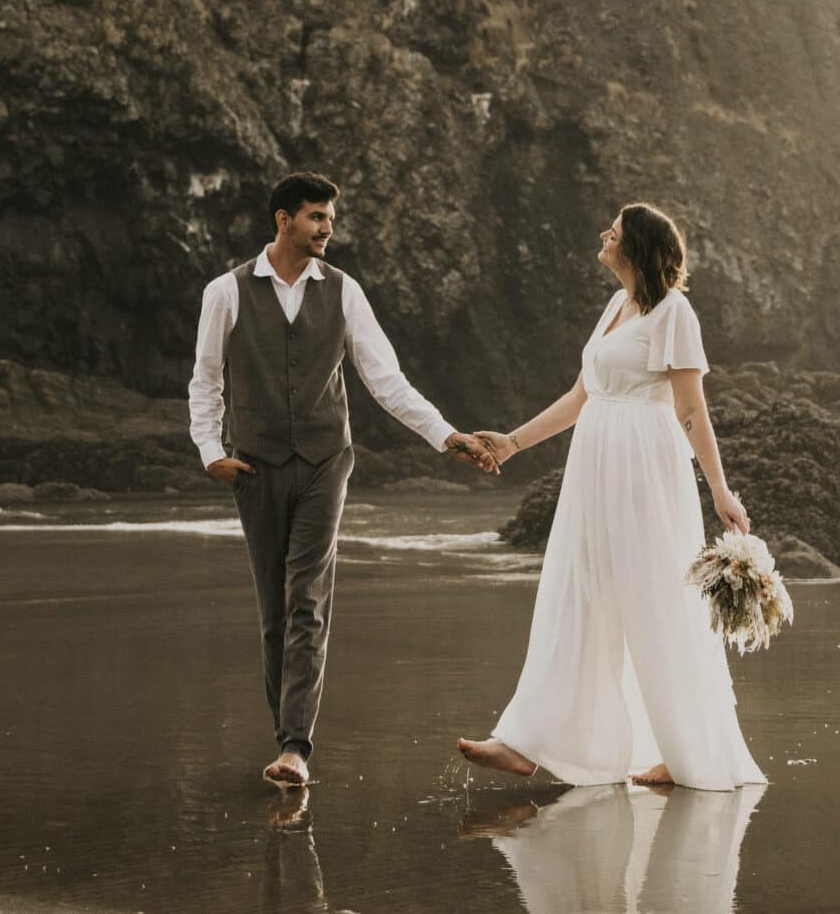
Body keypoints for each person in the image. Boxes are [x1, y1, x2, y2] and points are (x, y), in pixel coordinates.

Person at [189, 171, 494, 786]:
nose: (328, 228)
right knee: (274, 610)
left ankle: (296, 747)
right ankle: (286, 737)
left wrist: (445, 434)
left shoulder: (345, 292)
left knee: (307, 600)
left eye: (330, 217)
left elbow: (385, 379)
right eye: (316, 217)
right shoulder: (225, 291)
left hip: (327, 461)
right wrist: (207, 451)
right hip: (254, 466)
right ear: (283, 220)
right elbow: (206, 378)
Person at [457, 203, 767, 790]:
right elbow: (581, 397)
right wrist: (512, 443)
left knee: (655, 601)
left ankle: (682, 751)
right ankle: (529, 742)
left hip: (645, 468)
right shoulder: (614, 307)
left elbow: (691, 410)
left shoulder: (675, 312)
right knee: (576, 593)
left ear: (638, 249)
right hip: (594, 465)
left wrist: (721, 491)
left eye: (615, 233)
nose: (603, 235)